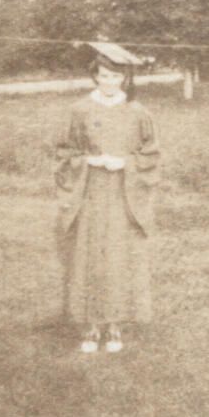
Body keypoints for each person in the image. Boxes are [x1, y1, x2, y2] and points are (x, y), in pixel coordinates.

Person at [54, 55, 160, 353]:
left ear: (124, 78)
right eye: (104, 75)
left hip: (123, 194)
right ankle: (90, 327)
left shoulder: (138, 112)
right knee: (89, 254)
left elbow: (152, 155)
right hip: (89, 191)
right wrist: (88, 161)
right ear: (95, 77)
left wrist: (125, 163)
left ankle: (114, 327)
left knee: (118, 256)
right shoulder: (79, 110)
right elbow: (63, 153)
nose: (109, 82)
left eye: (115, 76)